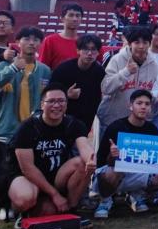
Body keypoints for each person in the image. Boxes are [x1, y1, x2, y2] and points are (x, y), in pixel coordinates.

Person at [0, 27, 52, 217]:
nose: (31, 43)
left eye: (36, 40)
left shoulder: (44, 70)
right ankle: (4, 203)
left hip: (32, 130)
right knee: (3, 167)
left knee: (29, 167)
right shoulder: (4, 65)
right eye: (27, 39)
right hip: (6, 128)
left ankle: (22, 201)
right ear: (18, 42)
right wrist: (13, 68)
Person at [7, 83, 94, 218]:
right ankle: (16, 210)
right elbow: (27, 169)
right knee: (25, 198)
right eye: (51, 101)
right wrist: (54, 195)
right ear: (42, 105)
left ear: (66, 104)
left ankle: (71, 208)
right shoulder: (27, 128)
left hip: (57, 176)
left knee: (83, 163)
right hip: (28, 178)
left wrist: (91, 161)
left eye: (61, 101)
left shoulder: (73, 124)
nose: (56, 105)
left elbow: (84, 147)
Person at [93, 89, 158, 218]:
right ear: (130, 106)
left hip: (136, 173)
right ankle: (105, 200)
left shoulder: (151, 129)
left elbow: (156, 160)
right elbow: (101, 161)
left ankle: (137, 195)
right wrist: (113, 155)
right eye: (139, 103)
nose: (143, 107)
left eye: (147, 104)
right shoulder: (116, 127)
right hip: (110, 172)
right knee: (115, 169)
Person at [97, 25, 158, 138]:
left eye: (145, 42)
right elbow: (106, 88)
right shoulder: (117, 59)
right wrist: (126, 72)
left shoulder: (153, 65)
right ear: (130, 44)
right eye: (137, 42)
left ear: (150, 44)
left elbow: (150, 92)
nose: (141, 46)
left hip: (138, 123)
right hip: (112, 120)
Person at [49, 34, 106, 133]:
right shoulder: (63, 69)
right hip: (61, 118)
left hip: (86, 120)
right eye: (85, 49)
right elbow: (49, 93)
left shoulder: (100, 72)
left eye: (93, 49)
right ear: (78, 51)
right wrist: (67, 95)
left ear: (98, 52)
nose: (89, 53)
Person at [40, 3, 85, 70]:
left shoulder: (84, 43)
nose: (75, 19)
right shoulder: (50, 41)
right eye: (71, 15)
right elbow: (43, 68)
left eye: (78, 16)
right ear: (62, 18)